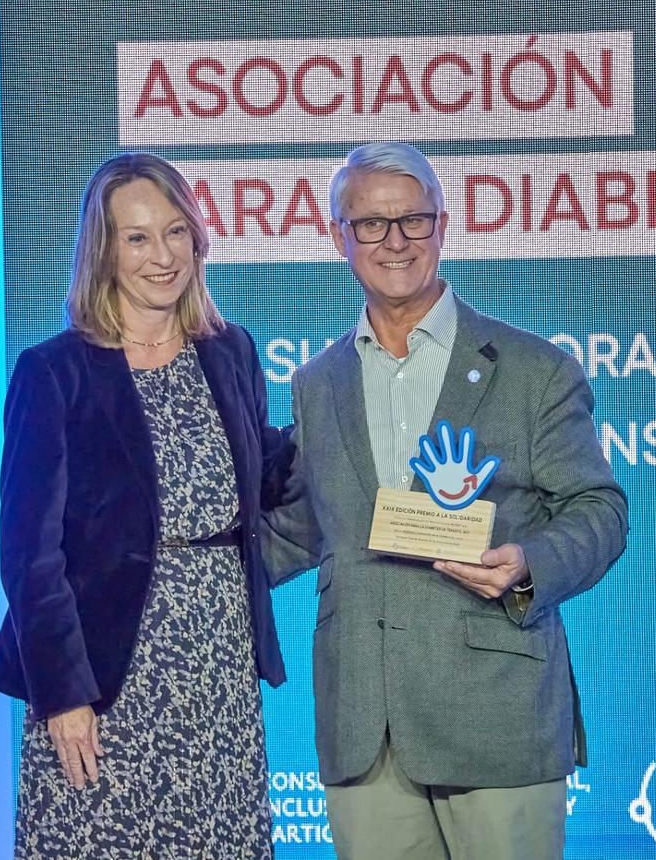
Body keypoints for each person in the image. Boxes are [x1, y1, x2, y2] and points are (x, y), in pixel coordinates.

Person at [263, 142, 628, 859]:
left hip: (496, 715)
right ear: (338, 236)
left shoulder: (533, 370)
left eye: (414, 221)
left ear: (444, 225)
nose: (394, 241)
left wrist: (530, 562)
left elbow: (598, 508)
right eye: (370, 223)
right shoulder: (316, 382)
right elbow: (311, 525)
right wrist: (176, 568)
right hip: (364, 726)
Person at [0, 152, 289, 859]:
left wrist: (359, 423)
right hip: (103, 674)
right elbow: (30, 557)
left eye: (176, 232)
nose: (163, 256)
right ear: (104, 251)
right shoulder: (53, 371)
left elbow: (260, 477)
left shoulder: (230, 351)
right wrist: (62, 696)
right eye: (138, 238)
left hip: (214, 664)